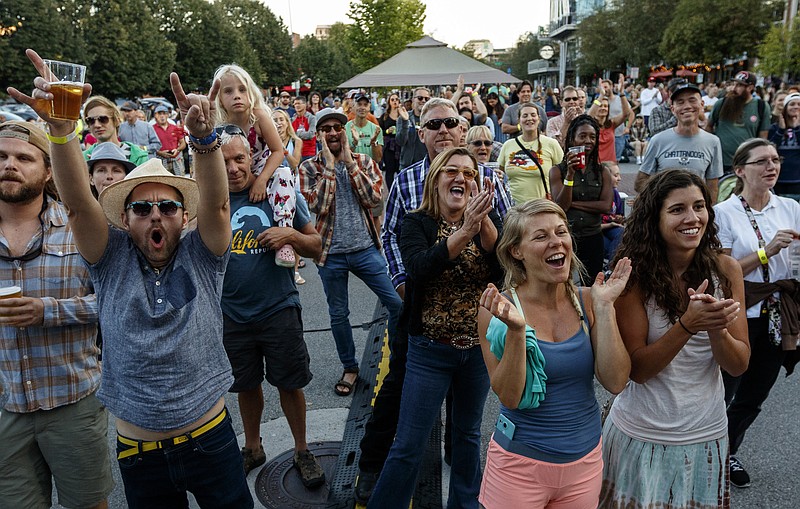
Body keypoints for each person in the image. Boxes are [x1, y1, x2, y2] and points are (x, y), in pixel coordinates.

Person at [9, 50, 254, 507]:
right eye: (142, 208)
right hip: (139, 452)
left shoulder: (202, 254)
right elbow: (80, 204)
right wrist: (62, 135)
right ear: (124, 219)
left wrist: (203, 140)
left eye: (167, 207)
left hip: (212, 440)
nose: (155, 215)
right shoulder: (110, 257)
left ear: (184, 217)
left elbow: (219, 206)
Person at [355, 98, 513, 504]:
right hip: (428, 348)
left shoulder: (489, 202)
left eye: (467, 173)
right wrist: (462, 233)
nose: (461, 177)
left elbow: (504, 271)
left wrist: (485, 226)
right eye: (452, 173)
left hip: (476, 351)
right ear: (434, 180)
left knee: (467, 437)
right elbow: (418, 264)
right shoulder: (418, 220)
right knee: (408, 442)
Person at [599, 169, 750, 509]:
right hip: (641, 434)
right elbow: (636, 370)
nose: (692, 218)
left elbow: (738, 364)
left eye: (699, 206)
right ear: (655, 218)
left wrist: (715, 328)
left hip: (705, 435)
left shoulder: (726, 270)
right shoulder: (633, 276)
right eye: (677, 209)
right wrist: (686, 325)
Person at [477, 199, 631, 509]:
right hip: (519, 467)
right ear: (515, 251)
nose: (556, 242)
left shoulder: (589, 300)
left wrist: (604, 307)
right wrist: (518, 332)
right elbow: (509, 396)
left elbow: (616, 381)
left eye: (561, 232)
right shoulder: (498, 310)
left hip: (584, 464)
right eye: (540, 236)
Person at [0, 120, 113, 509]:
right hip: (5, 405)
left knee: (88, 503)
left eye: (23, 157)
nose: (10, 164)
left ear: (48, 170)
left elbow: (114, 302)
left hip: (72, 401)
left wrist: (46, 311)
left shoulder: (78, 227)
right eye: (1, 156)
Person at [218, 125, 326, 486]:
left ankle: (301, 449)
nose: (233, 168)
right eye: (224, 161)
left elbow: (317, 246)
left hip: (278, 307)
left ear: (252, 156)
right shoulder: (212, 201)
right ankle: (253, 446)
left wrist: (291, 235)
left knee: (289, 383)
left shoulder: (280, 191)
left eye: (239, 158)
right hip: (232, 312)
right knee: (246, 385)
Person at [714, 138, 800, 489]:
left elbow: (794, 262)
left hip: (779, 311)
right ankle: (705, 450)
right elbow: (724, 270)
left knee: (756, 392)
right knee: (724, 388)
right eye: (762, 161)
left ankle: (728, 451)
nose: (772, 166)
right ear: (740, 171)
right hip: (740, 310)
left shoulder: (790, 207)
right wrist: (766, 252)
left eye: (776, 160)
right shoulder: (725, 212)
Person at [298, 108, 402, 398]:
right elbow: (317, 206)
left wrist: (348, 164)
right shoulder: (308, 169)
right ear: (318, 134)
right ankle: (350, 367)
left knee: (396, 303)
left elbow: (373, 198)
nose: (332, 132)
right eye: (326, 128)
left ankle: (398, 361)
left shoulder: (363, 162)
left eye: (337, 127)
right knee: (339, 314)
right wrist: (331, 167)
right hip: (329, 254)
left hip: (365, 249)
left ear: (345, 131)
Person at [213, 64, 296, 268]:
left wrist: (261, 181)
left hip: (262, 168)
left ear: (251, 92)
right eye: (229, 91)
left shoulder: (258, 117)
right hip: (232, 173)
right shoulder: (219, 125)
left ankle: (285, 236)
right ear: (220, 99)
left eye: (242, 89)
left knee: (284, 173)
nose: (237, 96)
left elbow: (278, 151)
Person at [550, 115, 613, 285]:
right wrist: (570, 175)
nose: (588, 141)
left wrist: (573, 204)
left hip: (593, 236)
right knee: (563, 284)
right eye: (582, 136)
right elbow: (561, 206)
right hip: (567, 237)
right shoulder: (558, 171)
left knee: (592, 284)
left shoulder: (603, 172)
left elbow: (606, 206)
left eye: (592, 137)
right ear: (572, 139)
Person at [635, 82, 723, 202]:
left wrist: (709, 213)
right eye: (680, 102)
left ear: (702, 104)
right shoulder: (658, 140)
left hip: (695, 215)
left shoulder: (713, 142)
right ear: (673, 109)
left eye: (692, 100)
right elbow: (640, 182)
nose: (687, 106)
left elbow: (712, 186)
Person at [498, 102, 563, 204]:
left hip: (542, 207)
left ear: (539, 119)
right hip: (514, 209)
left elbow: (563, 173)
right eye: (525, 116)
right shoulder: (508, 145)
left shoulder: (551, 144)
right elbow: (500, 174)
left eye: (533, 115)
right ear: (519, 120)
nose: (529, 118)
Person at [707, 71, 771, 174]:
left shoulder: (761, 107)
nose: (733, 88)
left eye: (739, 85)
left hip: (747, 164)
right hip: (720, 162)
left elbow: (762, 138)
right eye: (733, 84)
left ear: (750, 87)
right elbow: (708, 127)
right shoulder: (721, 103)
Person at [273, 109, 307, 284]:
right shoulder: (268, 141)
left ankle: (295, 271)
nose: (278, 123)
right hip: (275, 189)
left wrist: (282, 150)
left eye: (281, 120)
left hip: (293, 189)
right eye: (275, 120)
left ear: (287, 122)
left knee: (296, 228)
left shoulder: (296, 141)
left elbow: (295, 164)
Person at [82, 95, 148, 165]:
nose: (97, 125)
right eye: (90, 120)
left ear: (116, 120)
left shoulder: (139, 156)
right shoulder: (83, 159)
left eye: (103, 119)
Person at [588, 77, 632, 164]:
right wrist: (601, 96)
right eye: (600, 106)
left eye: (606, 106)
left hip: (610, 165)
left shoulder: (611, 123)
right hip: (594, 165)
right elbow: (588, 116)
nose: (603, 108)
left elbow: (626, 114)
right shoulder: (590, 124)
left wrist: (622, 93)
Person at [768, 92, 800, 201]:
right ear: (786, 107)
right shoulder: (774, 127)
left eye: (799, 104)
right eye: (792, 104)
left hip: (797, 181)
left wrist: (797, 129)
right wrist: (781, 131)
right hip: (778, 179)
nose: (796, 107)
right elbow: (769, 149)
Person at [396, 87, 430, 170]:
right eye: (420, 98)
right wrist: (405, 122)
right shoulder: (404, 117)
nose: (423, 101)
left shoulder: (431, 118)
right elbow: (400, 141)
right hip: (407, 166)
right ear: (413, 100)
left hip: (427, 165)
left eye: (427, 98)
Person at [601, 162, 625, 263]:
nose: (619, 179)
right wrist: (610, 224)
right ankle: (612, 268)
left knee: (624, 236)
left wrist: (619, 219)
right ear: (605, 176)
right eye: (615, 175)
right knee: (620, 238)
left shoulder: (615, 193)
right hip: (598, 230)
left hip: (611, 229)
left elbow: (618, 215)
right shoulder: (596, 194)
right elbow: (590, 225)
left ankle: (611, 268)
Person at [152, 105, 187, 176]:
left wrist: (177, 150)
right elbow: (150, 146)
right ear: (155, 115)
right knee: (164, 183)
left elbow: (183, 143)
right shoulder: (152, 129)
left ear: (168, 115)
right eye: (159, 113)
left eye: (164, 113)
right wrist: (160, 153)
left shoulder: (175, 127)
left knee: (179, 181)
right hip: (161, 161)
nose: (162, 116)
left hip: (176, 160)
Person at [378, 92, 402, 189]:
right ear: (389, 102)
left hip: (400, 144)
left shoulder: (403, 115)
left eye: (396, 99)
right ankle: (392, 190)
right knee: (389, 170)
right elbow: (379, 130)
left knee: (400, 169)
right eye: (392, 99)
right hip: (389, 147)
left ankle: (400, 189)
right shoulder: (385, 116)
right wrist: (387, 131)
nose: (395, 101)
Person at [292, 96, 317, 161]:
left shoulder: (312, 118)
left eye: (299, 103)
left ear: (305, 105)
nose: (297, 105)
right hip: (296, 153)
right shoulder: (292, 119)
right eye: (295, 104)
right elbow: (290, 135)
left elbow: (311, 134)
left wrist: (296, 134)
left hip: (309, 152)